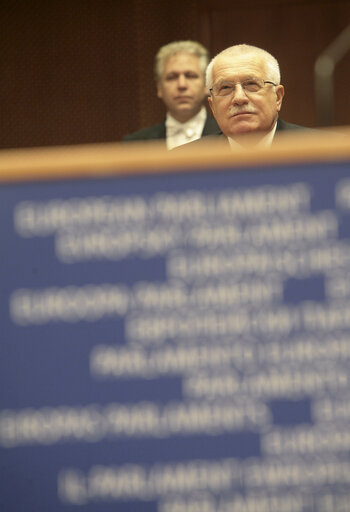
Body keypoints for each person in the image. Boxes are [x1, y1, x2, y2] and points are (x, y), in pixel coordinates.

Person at [182, 43, 309, 149]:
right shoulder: (183, 164)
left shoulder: (320, 153)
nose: (239, 98)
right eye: (225, 88)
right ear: (213, 106)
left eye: (251, 84)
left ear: (278, 97)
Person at [123, 40, 219, 149]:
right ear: (159, 87)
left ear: (206, 84)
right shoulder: (135, 145)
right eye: (172, 77)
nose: (181, 85)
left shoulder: (228, 136)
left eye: (190, 75)